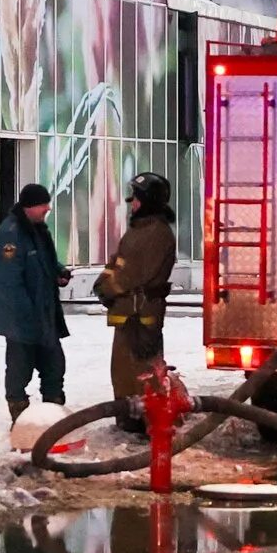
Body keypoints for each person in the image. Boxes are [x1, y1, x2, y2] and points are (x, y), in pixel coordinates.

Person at [94, 172, 179, 435]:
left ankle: (148, 423)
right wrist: (104, 284)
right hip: (129, 314)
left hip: (140, 316)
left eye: (137, 199)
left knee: (143, 371)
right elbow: (120, 263)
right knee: (123, 371)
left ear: (149, 201)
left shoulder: (155, 233)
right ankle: (129, 419)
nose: (132, 204)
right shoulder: (140, 230)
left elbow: (131, 274)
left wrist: (107, 288)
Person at [0, 182, 71, 422]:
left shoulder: (38, 230)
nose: (47, 209)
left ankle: (53, 418)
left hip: (44, 315)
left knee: (54, 367)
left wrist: (59, 271)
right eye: (43, 205)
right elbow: (8, 282)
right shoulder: (10, 234)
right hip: (21, 320)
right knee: (19, 370)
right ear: (30, 206)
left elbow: (44, 262)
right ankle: (22, 420)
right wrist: (26, 316)